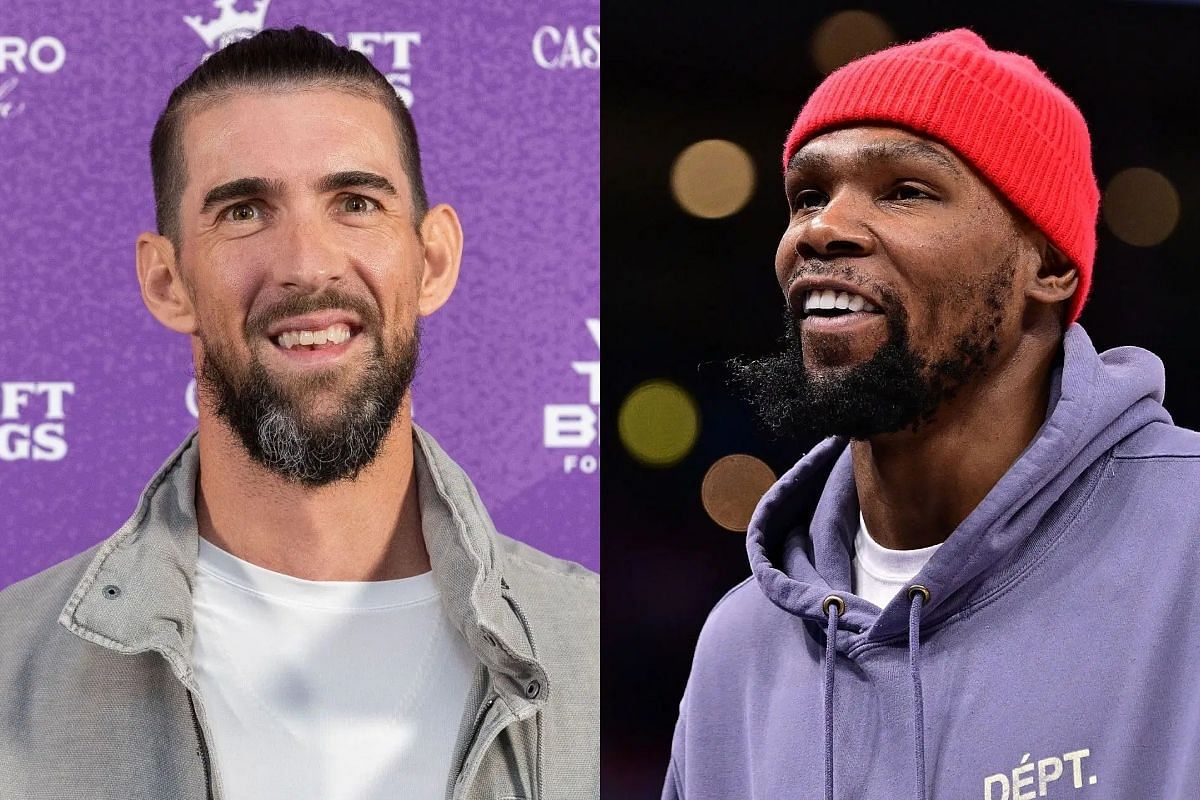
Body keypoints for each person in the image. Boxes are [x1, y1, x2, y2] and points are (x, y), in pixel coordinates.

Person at [0, 26, 598, 800]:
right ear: (166, 280)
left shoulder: (585, 644)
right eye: (245, 211)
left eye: (354, 202)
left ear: (434, 261)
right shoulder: (14, 669)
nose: (307, 265)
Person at [663, 28, 1200, 800]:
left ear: (1045, 263)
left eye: (906, 190)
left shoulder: (1185, 542)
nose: (820, 229)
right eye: (808, 196)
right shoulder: (739, 649)